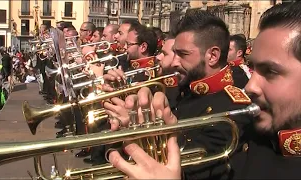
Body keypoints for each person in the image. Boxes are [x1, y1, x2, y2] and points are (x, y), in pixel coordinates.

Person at [108, 2, 301, 179]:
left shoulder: (238, 119)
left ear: (213, 55)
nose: (250, 87)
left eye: (271, 71)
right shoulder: (259, 138)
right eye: (255, 68)